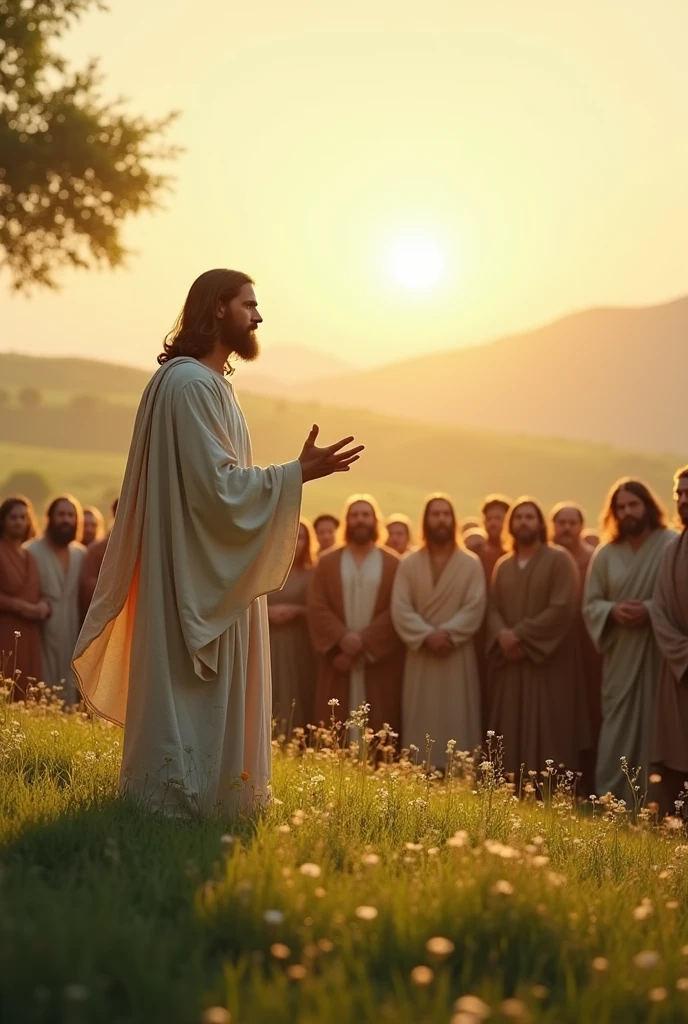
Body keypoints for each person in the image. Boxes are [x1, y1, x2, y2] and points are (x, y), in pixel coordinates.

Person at [72, 269, 362, 817]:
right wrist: (296, 474)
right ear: (216, 310)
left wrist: (288, 479)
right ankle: (188, 802)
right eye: (248, 304)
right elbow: (216, 490)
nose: (258, 315)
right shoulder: (191, 386)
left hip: (199, 563)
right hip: (196, 573)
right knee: (194, 693)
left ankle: (207, 799)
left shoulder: (199, 384)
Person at [486, 498, 587, 784]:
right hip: (511, 662)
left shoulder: (559, 559)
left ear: (540, 524)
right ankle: (511, 785)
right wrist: (502, 636)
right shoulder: (503, 565)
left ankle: (552, 789)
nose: (523, 522)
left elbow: (562, 608)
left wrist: (520, 635)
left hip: (548, 663)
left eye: (530, 517)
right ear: (511, 525)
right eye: (518, 518)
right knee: (511, 725)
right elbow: (492, 608)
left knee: (550, 728)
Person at [583, 479, 673, 800]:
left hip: (659, 656)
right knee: (615, 730)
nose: (627, 512)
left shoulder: (670, 544)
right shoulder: (606, 554)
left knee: (655, 727)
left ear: (648, 506)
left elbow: (680, 599)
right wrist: (612, 610)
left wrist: (649, 610)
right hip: (620, 655)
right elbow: (590, 603)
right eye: (620, 507)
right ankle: (612, 800)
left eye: (633, 505)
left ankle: (655, 804)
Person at [392, 495, 486, 765]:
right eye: (436, 514)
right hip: (421, 653)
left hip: (456, 652)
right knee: (421, 716)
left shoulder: (470, 563)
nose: (441, 519)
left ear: (453, 520)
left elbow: (475, 606)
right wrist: (426, 636)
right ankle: (420, 770)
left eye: (446, 514)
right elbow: (400, 607)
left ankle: (460, 772)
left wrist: (447, 634)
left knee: (458, 713)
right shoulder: (409, 563)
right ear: (426, 520)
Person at [307, 495, 404, 735]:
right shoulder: (327, 562)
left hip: (376, 660)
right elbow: (317, 606)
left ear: (375, 520)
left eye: (365, 515)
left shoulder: (393, 563)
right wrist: (342, 639)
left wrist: (364, 642)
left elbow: (397, 608)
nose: (360, 520)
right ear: (347, 521)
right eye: (355, 515)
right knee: (333, 727)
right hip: (337, 657)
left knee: (378, 729)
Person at [550, 501, 601, 792]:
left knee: (591, 714)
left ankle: (589, 781)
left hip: (590, 650)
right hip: (554, 651)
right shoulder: (546, 559)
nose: (566, 528)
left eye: (572, 522)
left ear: (581, 526)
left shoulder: (593, 560)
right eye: (561, 522)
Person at [649, 466, 688, 817]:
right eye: (679, 494)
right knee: (677, 756)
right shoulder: (670, 549)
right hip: (679, 671)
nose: (683, 500)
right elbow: (659, 610)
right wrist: (683, 655)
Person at [27, 495, 86, 703]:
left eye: (71, 515)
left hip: (71, 630)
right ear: (50, 518)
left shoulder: (81, 554)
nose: (66, 520)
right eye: (61, 514)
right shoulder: (30, 551)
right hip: (40, 630)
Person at [267, 518, 317, 733]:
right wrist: (266, 613)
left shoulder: (312, 574)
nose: (295, 542)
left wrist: (297, 611)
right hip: (268, 639)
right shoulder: (264, 572)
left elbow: (318, 609)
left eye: (300, 537)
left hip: (299, 642)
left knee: (298, 685)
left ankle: (296, 734)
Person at [0, 496, 49, 696]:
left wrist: (44, 606)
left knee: (27, 691)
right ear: (3, 520)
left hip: (30, 635)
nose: (19, 521)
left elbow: (40, 592)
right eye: (14, 517)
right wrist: (19, 606)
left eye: (23, 517)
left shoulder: (30, 557)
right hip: (5, 630)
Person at [79, 499, 118, 617]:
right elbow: (90, 588)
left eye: (93, 525)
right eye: (85, 525)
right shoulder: (95, 551)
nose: (89, 529)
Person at [478, 495, 511, 585]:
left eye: (498, 518)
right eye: (489, 519)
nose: (493, 523)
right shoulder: (477, 554)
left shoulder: (519, 554)